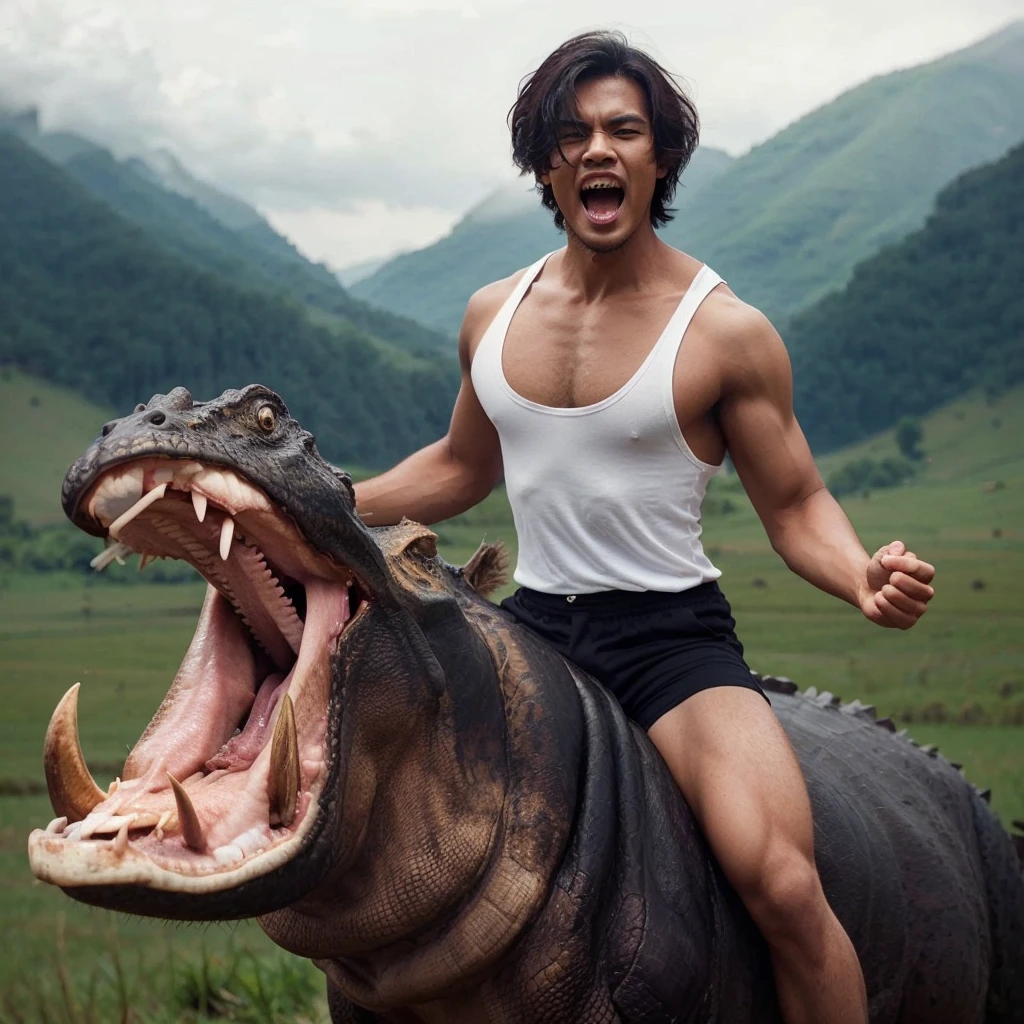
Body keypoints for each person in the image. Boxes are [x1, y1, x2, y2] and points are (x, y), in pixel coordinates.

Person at [353, 30, 936, 1024]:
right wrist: (321, 497)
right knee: (397, 854)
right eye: (572, 134)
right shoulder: (492, 314)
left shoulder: (724, 331)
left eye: (624, 129)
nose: (597, 150)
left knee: (786, 887)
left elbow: (793, 503)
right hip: (531, 637)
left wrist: (858, 576)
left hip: (670, 644)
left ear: (659, 156)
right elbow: (458, 466)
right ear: (545, 163)